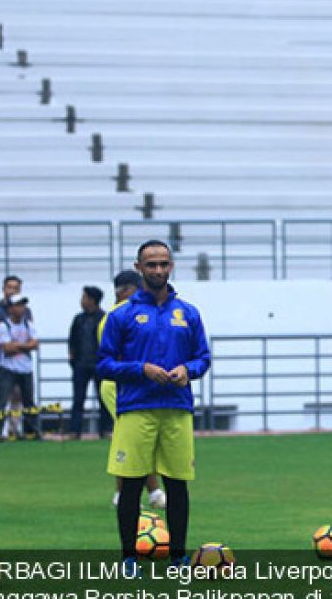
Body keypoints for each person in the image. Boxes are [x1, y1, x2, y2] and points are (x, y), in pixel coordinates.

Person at [97, 240, 210, 572]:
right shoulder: (122, 314)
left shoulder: (188, 313)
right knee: (131, 484)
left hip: (176, 408)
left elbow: (202, 358)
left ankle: (178, 556)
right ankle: (128, 557)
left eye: (163, 264)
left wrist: (187, 371)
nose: (158, 270)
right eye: (151, 265)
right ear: (139, 268)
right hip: (136, 408)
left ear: (171, 266)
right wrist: (140, 369)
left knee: (177, 484)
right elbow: (104, 365)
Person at [98, 270, 165, 509]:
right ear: (128, 290)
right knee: (130, 438)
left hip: (136, 382)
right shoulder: (118, 315)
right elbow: (114, 358)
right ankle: (126, 493)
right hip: (121, 384)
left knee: (142, 437)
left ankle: (152, 491)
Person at [0, 275, 33, 438]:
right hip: (2, 359)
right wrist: (19, 343)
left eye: (16, 287)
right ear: (3, 289)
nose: (12, 290)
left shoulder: (26, 311)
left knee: (21, 397)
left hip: (23, 362)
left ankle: (15, 429)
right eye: (9, 287)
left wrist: (16, 344)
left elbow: (32, 338)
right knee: (3, 395)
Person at [0, 294, 41, 440]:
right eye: (18, 305)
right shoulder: (3, 326)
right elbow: (6, 348)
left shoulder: (28, 324)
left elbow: (35, 344)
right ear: (11, 308)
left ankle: (32, 431)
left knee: (29, 401)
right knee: (2, 400)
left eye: (23, 305)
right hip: (8, 369)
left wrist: (17, 345)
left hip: (25, 369)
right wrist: (26, 346)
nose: (22, 308)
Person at [68, 285, 107, 439]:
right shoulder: (79, 319)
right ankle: (74, 431)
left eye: (84, 298)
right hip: (81, 365)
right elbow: (72, 340)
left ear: (92, 300)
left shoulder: (104, 318)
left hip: (100, 365)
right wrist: (73, 358)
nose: (82, 301)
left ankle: (106, 430)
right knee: (78, 399)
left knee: (103, 399)